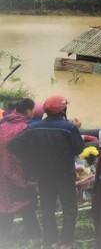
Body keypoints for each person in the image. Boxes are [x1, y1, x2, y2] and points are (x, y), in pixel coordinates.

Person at [8, 95, 85, 249]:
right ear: (63, 109)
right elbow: (79, 149)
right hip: (64, 175)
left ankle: (51, 241)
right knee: (69, 209)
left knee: (47, 209)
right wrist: (76, 129)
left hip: (43, 177)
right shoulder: (68, 128)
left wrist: (32, 155)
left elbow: (12, 146)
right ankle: (66, 242)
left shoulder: (33, 127)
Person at [0, 98, 41, 240]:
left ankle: (3, 237)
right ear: (28, 111)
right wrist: (34, 179)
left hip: (2, 176)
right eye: (33, 109)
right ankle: (35, 237)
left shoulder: (2, 125)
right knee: (28, 206)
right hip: (20, 175)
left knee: (5, 205)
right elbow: (31, 156)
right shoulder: (26, 128)